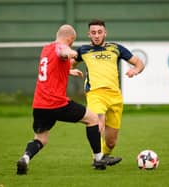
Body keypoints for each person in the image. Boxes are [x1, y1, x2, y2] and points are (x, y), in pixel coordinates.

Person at [16, 24, 108, 175]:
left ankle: (25, 158)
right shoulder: (62, 48)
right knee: (93, 119)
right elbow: (62, 51)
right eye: (72, 42)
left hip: (39, 104)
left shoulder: (46, 49)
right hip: (56, 103)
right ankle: (99, 159)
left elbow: (52, 67)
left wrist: (69, 71)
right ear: (70, 39)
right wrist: (70, 52)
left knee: (41, 138)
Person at [74, 19, 145, 165]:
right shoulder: (83, 50)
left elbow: (139, 63)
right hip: (95, 94)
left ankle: (103, 156)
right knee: (97, 123)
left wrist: (135, 70)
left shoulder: (116, 48)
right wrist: (70, 70)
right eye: (93, 33)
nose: (97, 35)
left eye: (100, 32)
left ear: (105, 33)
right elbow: (67, 64)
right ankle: (97, 158)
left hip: (114, 96)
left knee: (111, 142)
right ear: (89, 34)